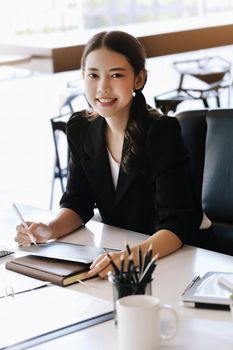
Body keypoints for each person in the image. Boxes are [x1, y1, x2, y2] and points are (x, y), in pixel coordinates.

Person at [15, 30, 203, 278]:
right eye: (93, 75)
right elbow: (77, 202)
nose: (102, 87)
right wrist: (48, 230)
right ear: (83, 76)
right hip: (119, 253)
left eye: (116, 75)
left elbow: (177, 224)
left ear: (138, 79)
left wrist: (127, 259)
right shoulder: (81, 128)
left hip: (177, 256)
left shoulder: (161, 131)